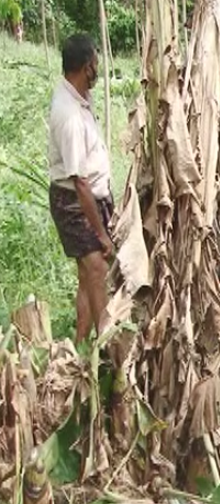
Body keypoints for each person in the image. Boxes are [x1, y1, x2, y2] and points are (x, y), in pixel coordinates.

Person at [47, 33, 114, 344]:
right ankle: (108, 354)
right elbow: (80, 182)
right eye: (95, 64)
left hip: (87, 199)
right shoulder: (70, 115)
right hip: (76, 203)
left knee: (87, 278)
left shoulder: (77, 98)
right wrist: (101, 234)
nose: (97, 70)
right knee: (98, 270)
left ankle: (80, 345)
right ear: (86, 66)